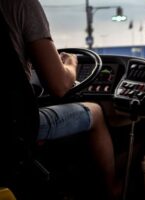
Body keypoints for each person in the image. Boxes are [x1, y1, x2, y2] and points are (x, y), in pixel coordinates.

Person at [0, 0, 117, 199]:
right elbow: (60, 85)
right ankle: (111, 191)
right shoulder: (22, 4)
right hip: (13, 128)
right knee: (95, 112)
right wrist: (71, 65)